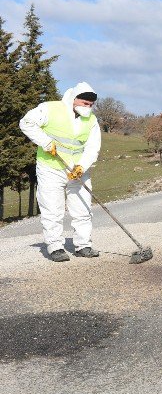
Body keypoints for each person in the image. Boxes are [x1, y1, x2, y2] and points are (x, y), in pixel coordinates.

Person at [19, 82, 102, 262]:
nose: (87, 108)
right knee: (53, 209)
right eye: (84, 104)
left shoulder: (92, 120)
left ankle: (83, 245)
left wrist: (82, 166)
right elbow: (26, 123)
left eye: (90, 105)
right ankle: (55, 246)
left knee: (83, 209)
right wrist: (46, 142)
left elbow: (93, 147)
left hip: (78, 170)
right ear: (74, 99)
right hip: (51, 168)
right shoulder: (50, 109)